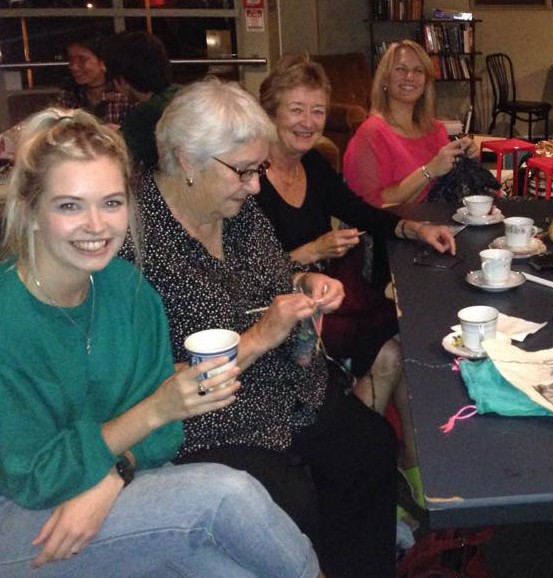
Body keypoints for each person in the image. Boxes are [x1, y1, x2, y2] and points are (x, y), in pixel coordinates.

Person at [0, 108, 321, 577]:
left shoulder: (128, 291)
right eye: (69, 205)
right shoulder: (10, 318)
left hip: (116, 486)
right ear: (29, 210)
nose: (97, 224)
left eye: (111, 203)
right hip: (24, 515)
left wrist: (114, 476)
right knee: (225, 495)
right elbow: (35, 477)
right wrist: (153, 410)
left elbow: (167, 438)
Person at [124, 78, 398, 578]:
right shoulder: (133, 241)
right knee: (290, 499)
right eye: (244, 171)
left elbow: (276, 275)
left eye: (259, 169)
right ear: (187, 159)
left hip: (288, 383)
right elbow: (145, 383)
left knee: (371, 446)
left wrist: (306, 280)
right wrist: (257, 338)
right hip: (209, 418)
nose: (255, 186)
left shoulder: (239, 212)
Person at [256, 53, 456, 472]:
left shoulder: (312, 164)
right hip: (282, 308)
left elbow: (362, 210)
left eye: (317, 111)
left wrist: (415, 230)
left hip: (333, 293)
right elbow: (242, 271)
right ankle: (369, 463)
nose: (308, 122)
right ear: (270, 111)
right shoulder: (249, 177)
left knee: (403, 339)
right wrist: (310, 252)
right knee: (392, 349)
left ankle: (404, 462)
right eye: (296, 110)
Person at [343, 39, 477, 207]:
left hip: (437, 223)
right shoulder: (370, 133)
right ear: (384, 79)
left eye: (418, 71)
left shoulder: (435, 130)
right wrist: (429, 170)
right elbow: (369, 205)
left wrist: (466, 155)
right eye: (400, 69)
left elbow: (452, 183)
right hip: (391, 229)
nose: (409, 77)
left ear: (425, 83)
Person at [102, 31, 179, 171]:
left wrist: (116, 135)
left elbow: (121, 158)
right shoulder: (182, 94)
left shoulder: (145, 115)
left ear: (122, 80)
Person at [56, 35, 130, 126]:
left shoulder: (123, 94)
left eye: (82, 60)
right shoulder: (69, 94)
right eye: (70, 60)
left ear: (102, 61)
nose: (74, 67)